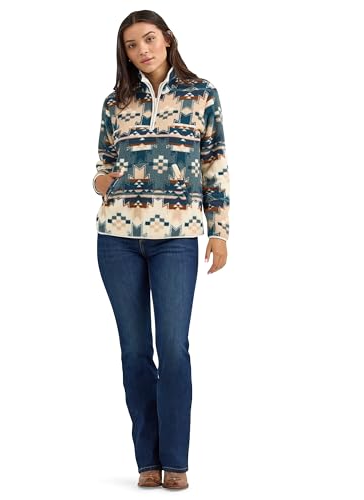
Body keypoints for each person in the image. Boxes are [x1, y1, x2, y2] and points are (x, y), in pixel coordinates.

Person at [93, 9, 230, 490]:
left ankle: (176, 460)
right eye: (131, 45)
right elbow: (103, 162)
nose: (142, 50)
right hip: (117, 239)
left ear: (167, 39)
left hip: (176, 239)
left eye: (148, 39)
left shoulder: (201, 94)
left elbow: (214, 164)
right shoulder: (116, 101)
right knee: (134, 351)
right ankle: (146, 461)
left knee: (173, 348)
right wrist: (102, 181)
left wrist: (219, 232)